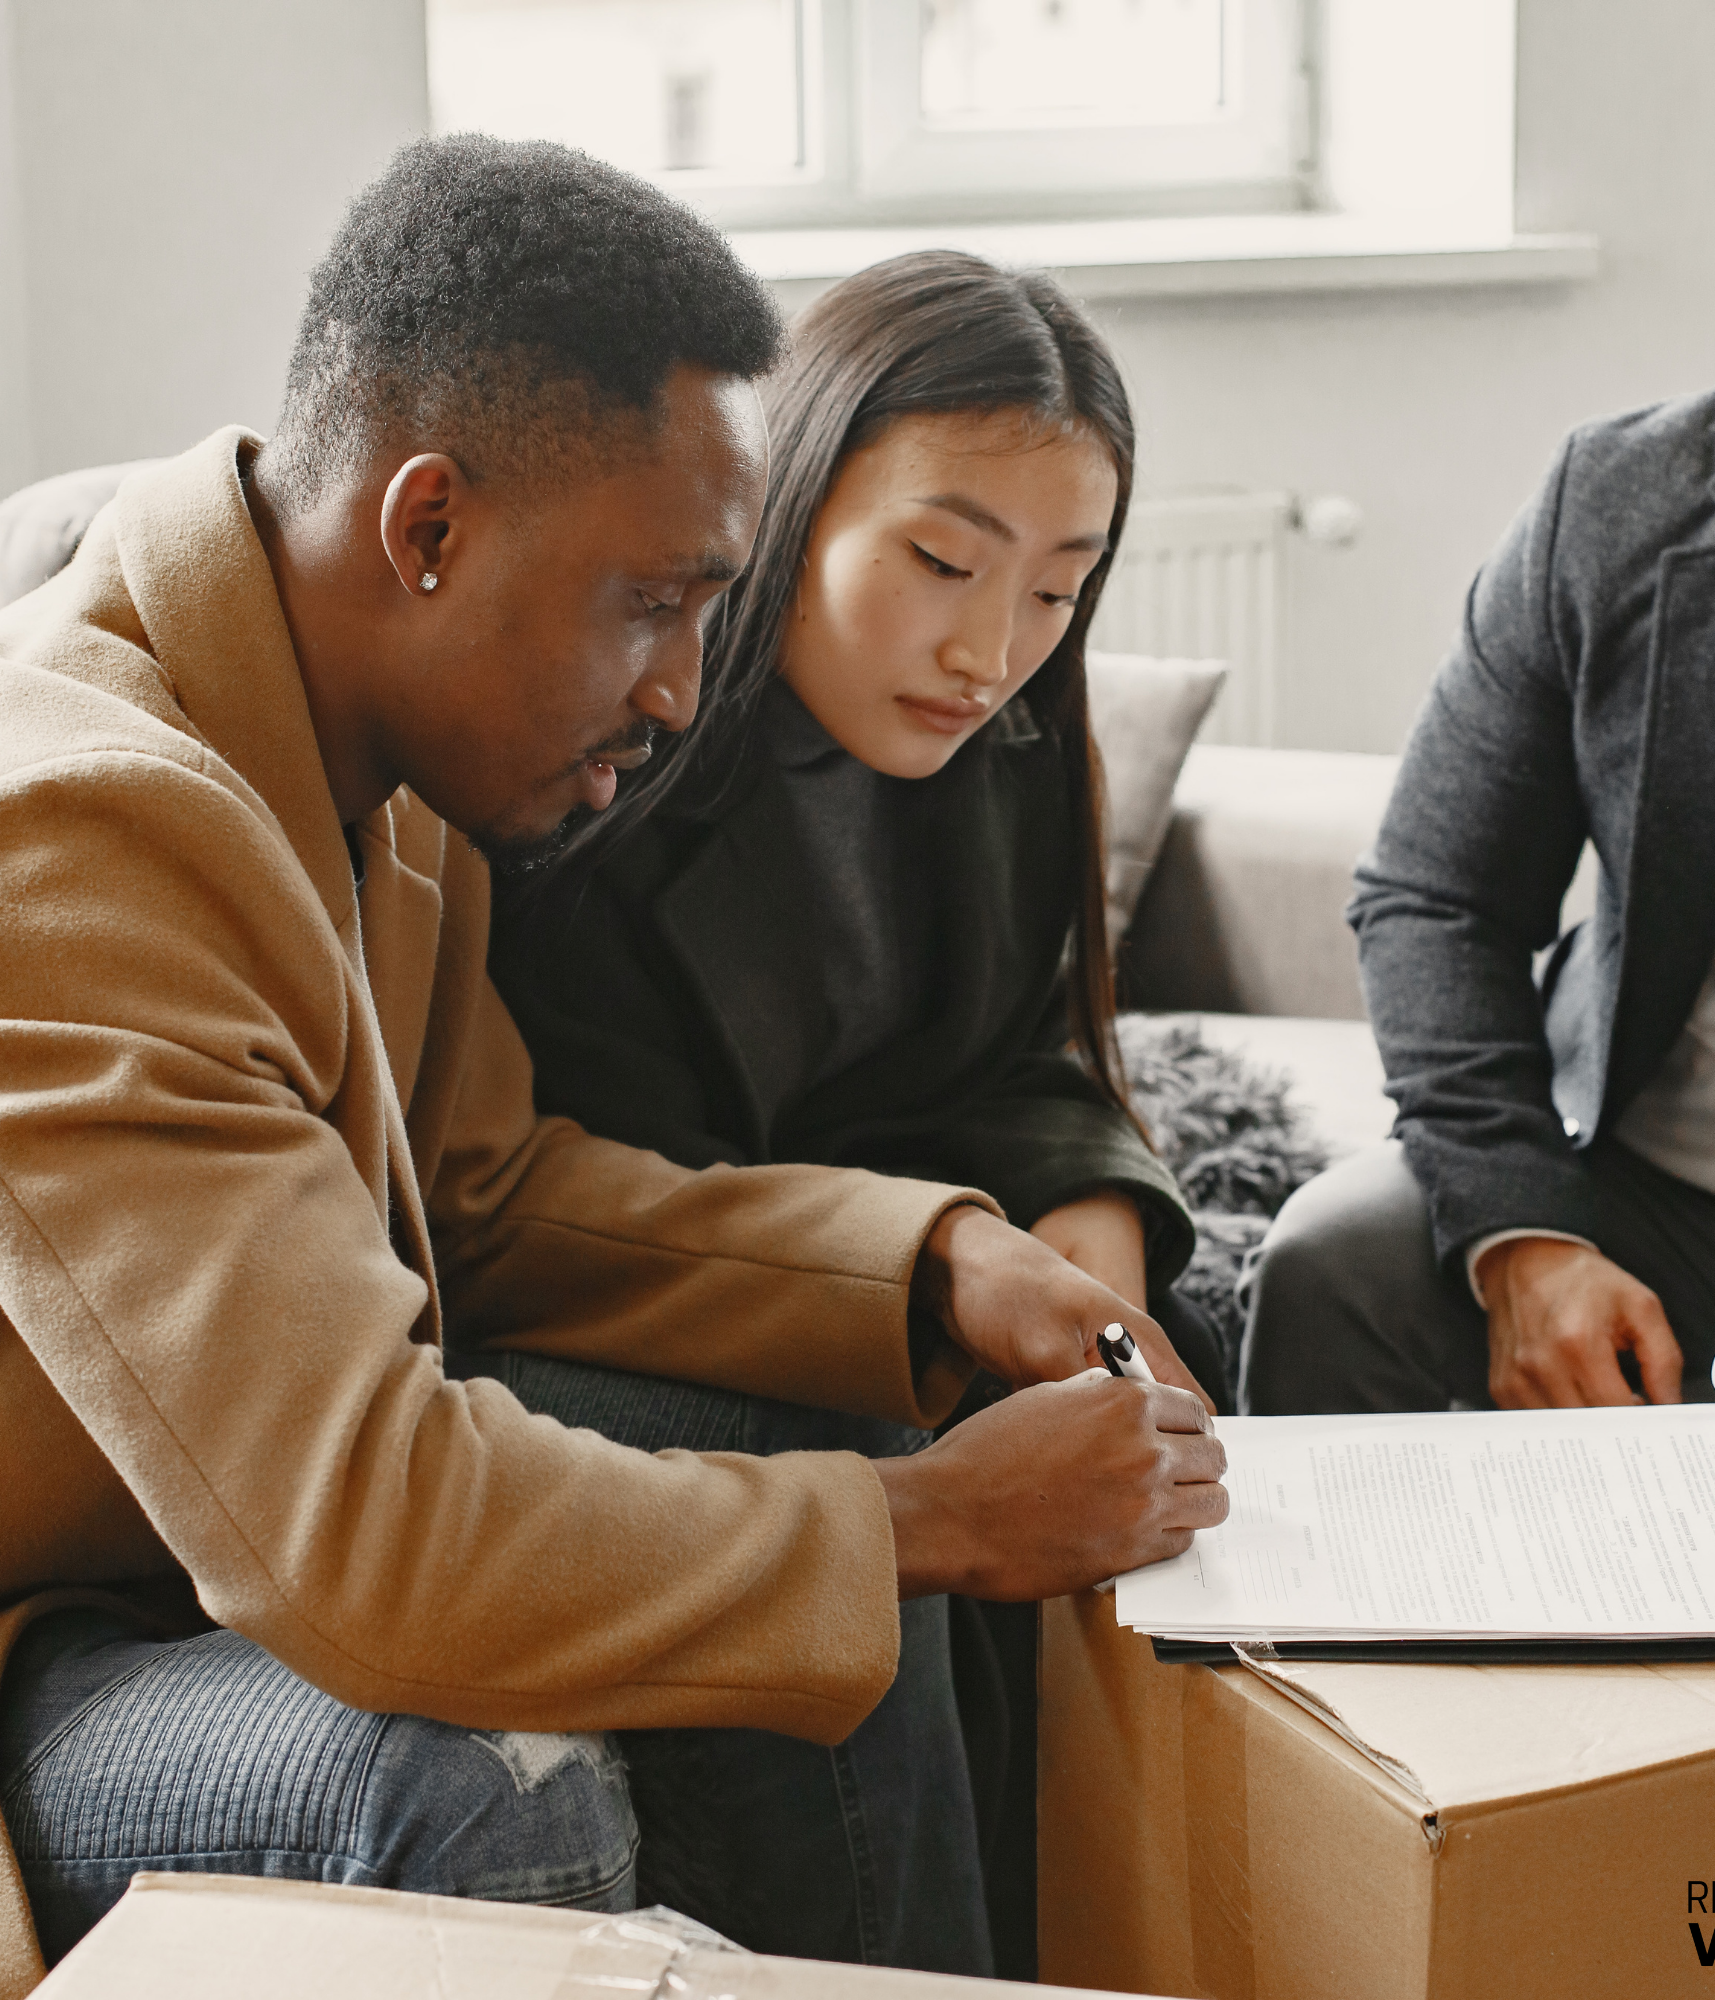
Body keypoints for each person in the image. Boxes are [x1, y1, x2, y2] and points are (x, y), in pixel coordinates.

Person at [0, 137, 1228, 1991]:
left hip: (200, 1564)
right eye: (652, 603)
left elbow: (491, 1201)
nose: (680, 688)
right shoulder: (88, 835)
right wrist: (936, 1522)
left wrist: (934, 1264)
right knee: (482, 1774)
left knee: (811, 1460)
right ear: (428, 530)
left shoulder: (364, 755)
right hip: (54, 1644)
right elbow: (370, 1539)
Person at [487, 250, 1218, 1971]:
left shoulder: (1012, 738)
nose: (990, 647)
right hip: (628, 1300)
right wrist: (947, 1279)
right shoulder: (599, 759)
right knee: (878, 1473)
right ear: (791, 498)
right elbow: (584, 1217)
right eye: (942, 561)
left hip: (887, 1270)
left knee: (1168, 1400)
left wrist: (1092, 1248)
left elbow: (1012, 1059)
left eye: (1060, 587)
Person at [1241, 52, 1715, 1419]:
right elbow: (1437, 895)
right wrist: (1526, 1238)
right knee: (1325, 1269)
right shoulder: (1617, 504)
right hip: (1618, 1183)